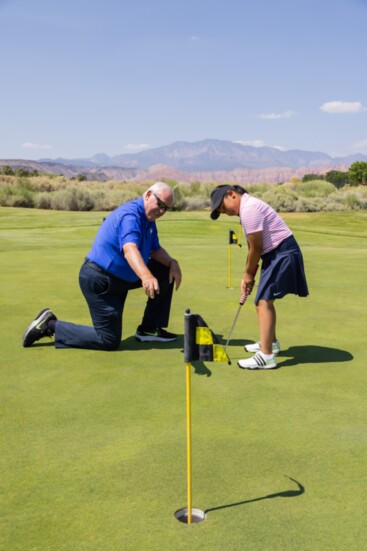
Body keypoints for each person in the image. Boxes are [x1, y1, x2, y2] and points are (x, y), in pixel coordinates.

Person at [23, 182, 182, 350]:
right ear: (148, 195)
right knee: (108, 340)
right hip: (100, 281)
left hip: (120, 279)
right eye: (160, 204)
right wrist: (146, 276)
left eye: (167, 208)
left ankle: (149, 329)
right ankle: (50, 325)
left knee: (164, 270)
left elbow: (155, 249)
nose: (162, 211)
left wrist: (173, 262)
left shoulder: (149, 220)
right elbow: (130, 249)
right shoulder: (131, 216)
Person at [210, 184, 308, 370]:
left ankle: (266, 356)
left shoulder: (249, 210)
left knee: (263, 302)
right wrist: (250, 274)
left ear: (231, 194)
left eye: (223, 208)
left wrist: (247, 274)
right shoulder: (246, 209)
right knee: (263, 299)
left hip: (282, 252)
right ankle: (270, 343)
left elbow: (256, 248)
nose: (225, 213)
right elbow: (253, 249)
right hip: (274, 254)